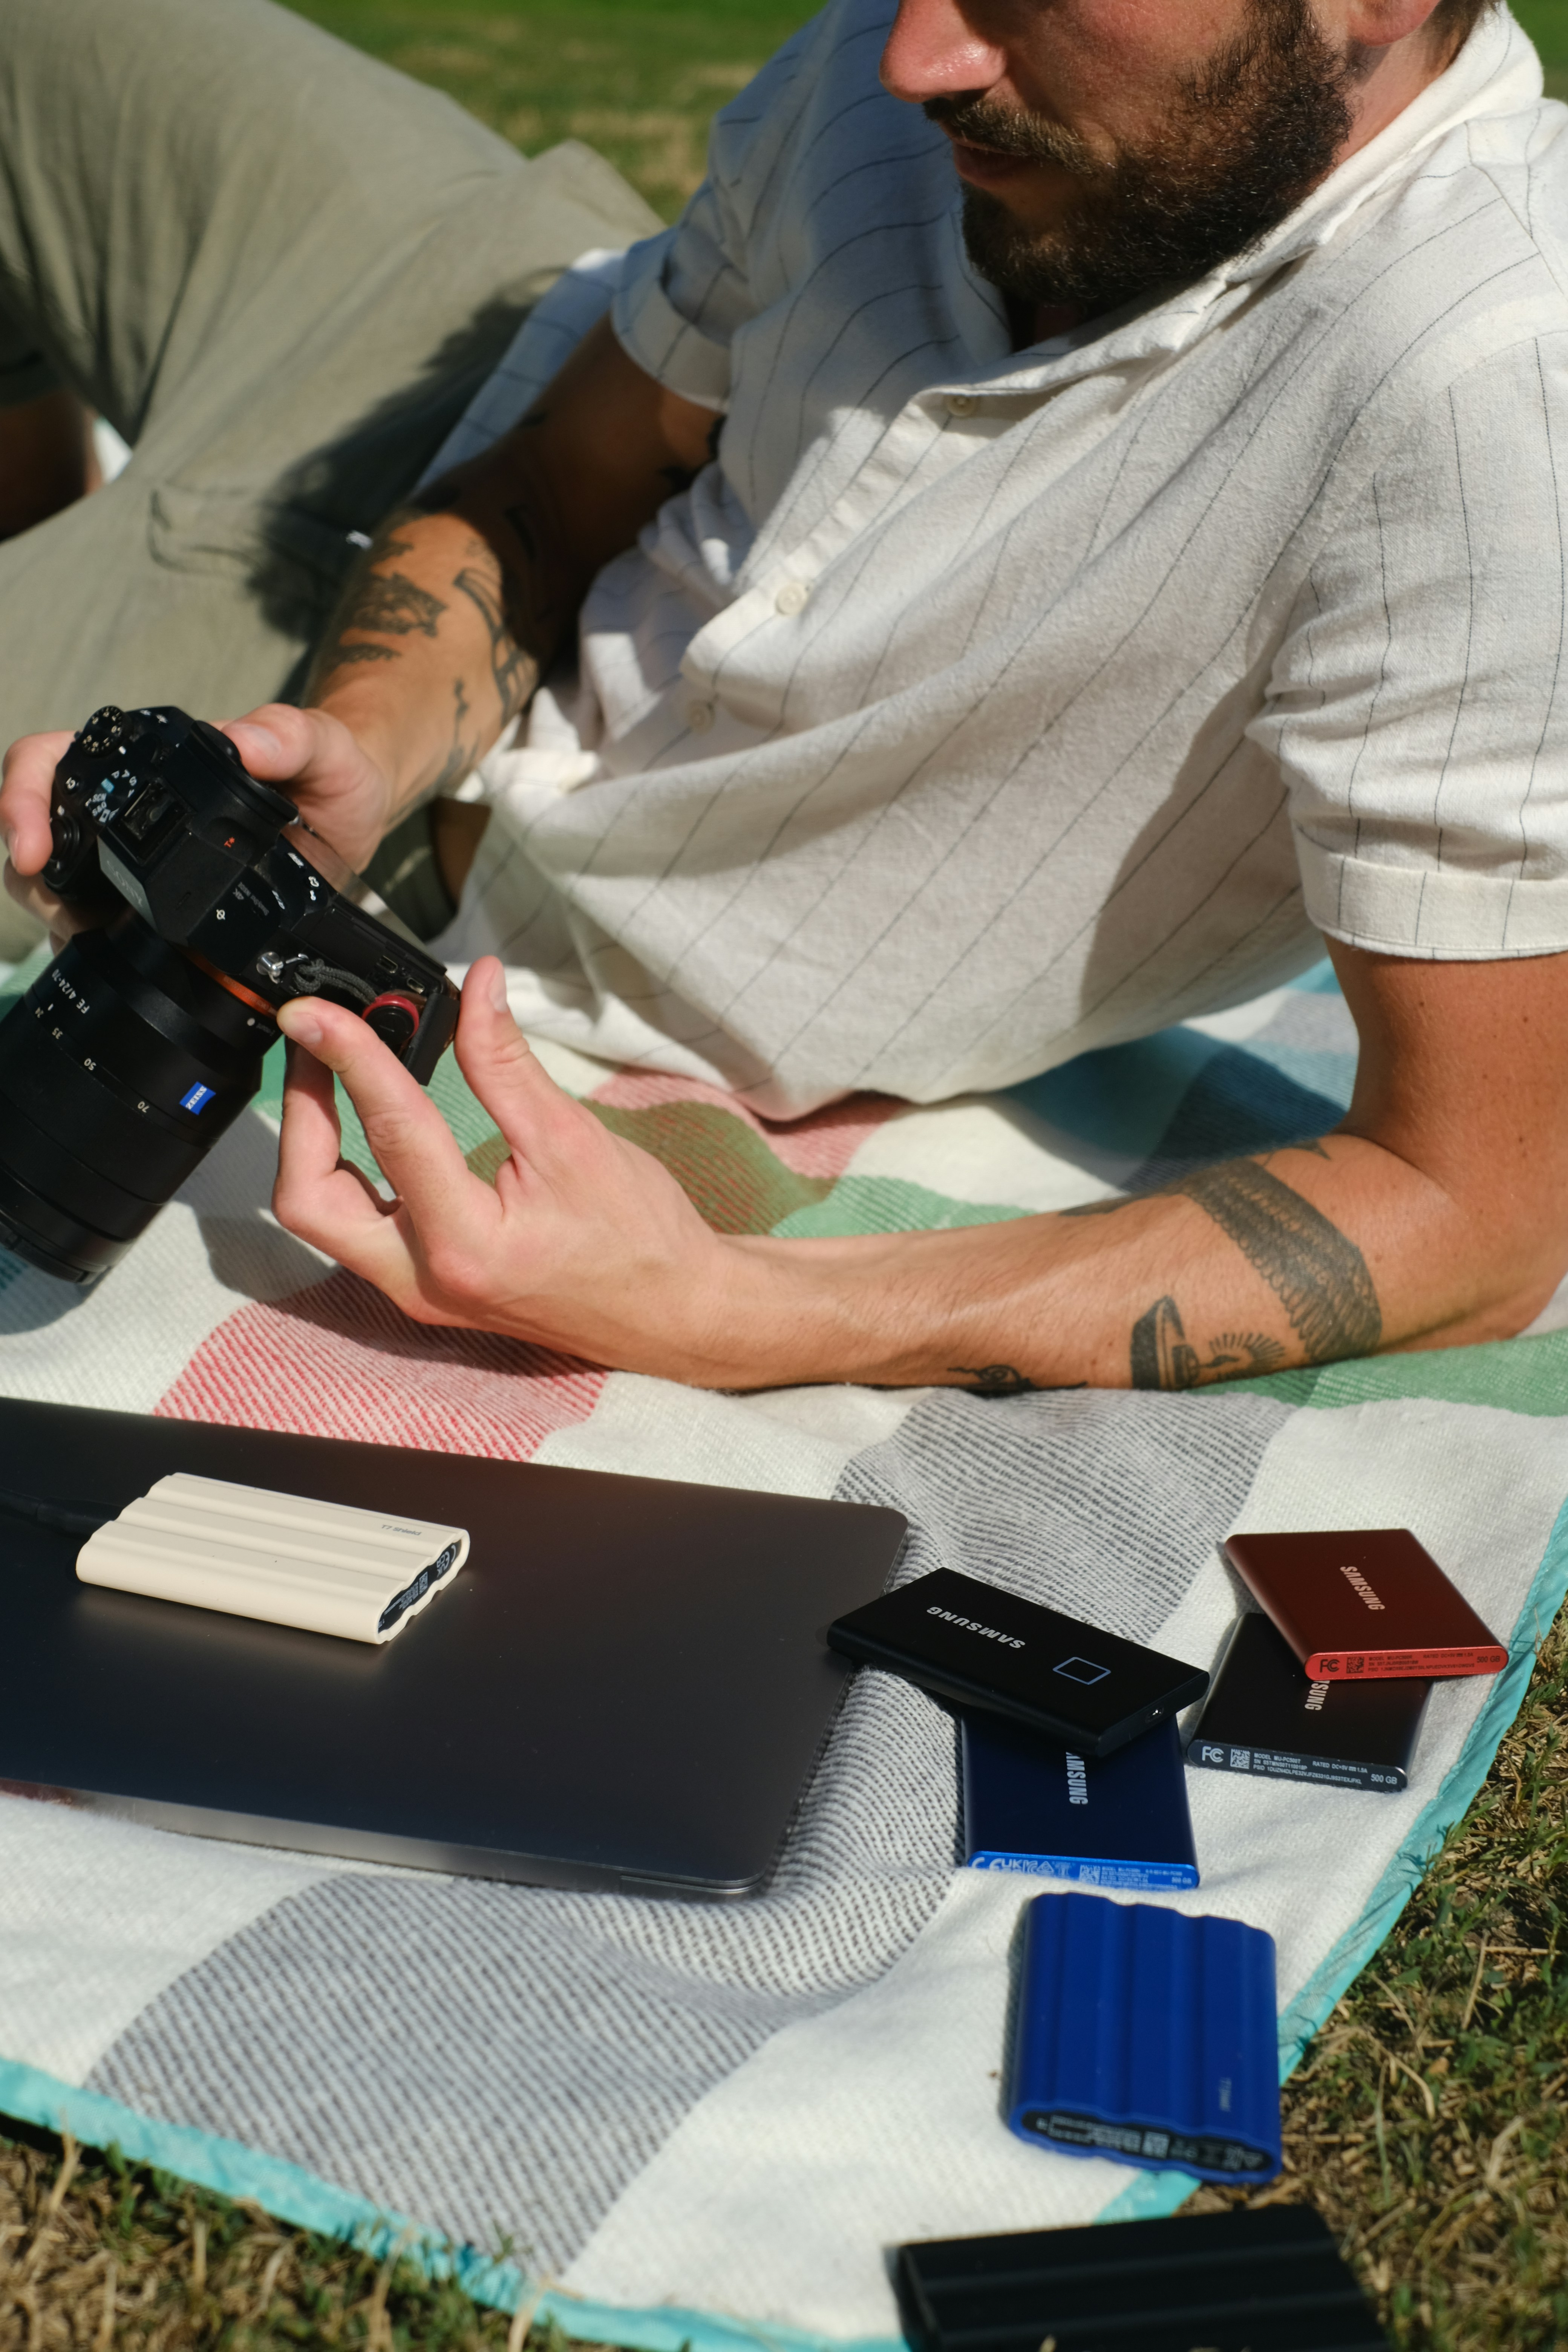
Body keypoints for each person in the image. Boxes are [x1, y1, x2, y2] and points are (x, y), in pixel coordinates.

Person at [5, 0, 1568, 1394]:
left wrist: (735, 1307)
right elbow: (566, 468)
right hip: (452, 370)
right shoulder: (916, 67)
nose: (906, 58)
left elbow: (1476, 1215)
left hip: (309, 740)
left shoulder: (1482, 390)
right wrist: (359, 744)